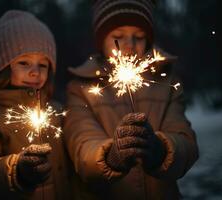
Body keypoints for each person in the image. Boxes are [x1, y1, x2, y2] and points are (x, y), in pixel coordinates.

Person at [64, 0, 199, 199]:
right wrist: (111, 157)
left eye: (139, 37)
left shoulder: (166, 82)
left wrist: (160, 149)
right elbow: (82, 149)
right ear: (101, 41)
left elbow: (186, 144)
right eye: (118, 37)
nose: (129, 45)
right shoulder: (82, 88)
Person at [0, 10, 70, 200]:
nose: (35, 72)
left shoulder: (56, 110)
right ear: (3, 67)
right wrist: (16, 171)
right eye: (24, 63)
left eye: (43, 65)